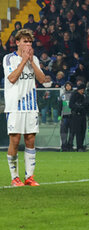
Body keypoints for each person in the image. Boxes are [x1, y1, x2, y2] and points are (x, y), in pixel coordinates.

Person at [3, 29, 45, 186]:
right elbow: (12, 78)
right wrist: (23, 61)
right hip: (15, 106)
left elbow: (41, 79)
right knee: (15, 140)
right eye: (25, 41)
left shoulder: (34, 59)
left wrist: (31, 62)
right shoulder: (8, 59)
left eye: (30, 42)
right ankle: (15, 177)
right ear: (17, 42)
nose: (28, 44)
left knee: (30, 140)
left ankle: (29, 177)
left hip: (31, 106)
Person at [69, 83, 88, 152]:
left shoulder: (84, 96)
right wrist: (79, 107)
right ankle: (78, 147)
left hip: (83, 115)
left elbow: (87, 104)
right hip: (76, 115)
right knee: (78, 132)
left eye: (83, 90)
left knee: (83, 130)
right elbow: (71, 105)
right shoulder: (74, 95)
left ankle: (81, 146)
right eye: (81, 90)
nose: (82, 91)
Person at [58, 81, 74, 151]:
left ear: (71, 86)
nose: (68, 87)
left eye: (69, 86)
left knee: (72, 132)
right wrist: (59, 115)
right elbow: (59, 106)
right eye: (66, 86)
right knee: (63, 132)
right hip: (64, 116)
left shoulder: (74, 95)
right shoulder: (62, 95)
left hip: (72, 116)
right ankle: (64, 146)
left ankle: (70, 145)